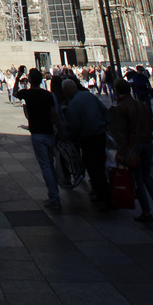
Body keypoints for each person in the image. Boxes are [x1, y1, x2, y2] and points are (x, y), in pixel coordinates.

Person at [110, 77, 153, 223]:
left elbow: (122, 133)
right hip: (147, 144)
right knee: (147, 175)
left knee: (138, 179)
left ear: (117, 91)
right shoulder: (141, 105)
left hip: (133, 147)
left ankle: (146, 211)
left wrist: (121, 152)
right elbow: (152, 126)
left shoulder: (121, 108)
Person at [13, 66, 61, 209]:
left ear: (30, 80)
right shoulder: (48, 95)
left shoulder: (28, 94)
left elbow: (15, 92)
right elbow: (54, 115)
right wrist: (61, 131)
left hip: (38, 134)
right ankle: (55, 193)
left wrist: (17, 77)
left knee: (45, 165)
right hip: (49, 132)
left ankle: (54, 197)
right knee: (51, 164)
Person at [61, 78, 110, 209]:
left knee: (93, 167)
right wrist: (103, 125)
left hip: (88, 138)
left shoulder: (73, 104)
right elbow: (105, 111)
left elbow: (73, 126)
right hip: (99, 135)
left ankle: (105, 198)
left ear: (68, 90)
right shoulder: (89, 95)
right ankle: (101, 194)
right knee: (99, 166)